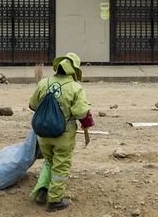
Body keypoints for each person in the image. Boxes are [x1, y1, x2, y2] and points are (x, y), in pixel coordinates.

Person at [28, 52, 94, 211]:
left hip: (43, 134)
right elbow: (81, 113)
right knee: (61, 166)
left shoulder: (44, 83)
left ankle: (42, 190)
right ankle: (55, 200)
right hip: (63, 135)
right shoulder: (76, 88)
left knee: (49, 161)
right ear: (74, 70)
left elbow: (32, 105)